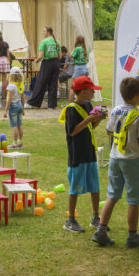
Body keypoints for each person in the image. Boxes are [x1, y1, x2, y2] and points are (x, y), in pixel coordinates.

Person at [93, 77, 139, 248]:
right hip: (131, 160)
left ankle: (101, 231)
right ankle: (132, 235)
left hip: (115, 158)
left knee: (112, 195)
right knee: (133, 199)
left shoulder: (116, 110)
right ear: (137, 95)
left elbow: (109, 132)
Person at [61, 75, 104, 233]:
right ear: (84, 92)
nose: (94, 93)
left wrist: (98, 119)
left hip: (89, 152)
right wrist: (88, 120)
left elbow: (91, 126)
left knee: (95, 186)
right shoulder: (71, 109)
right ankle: (70, 220)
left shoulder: (87, 104)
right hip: (77, 155)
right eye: (92, 90)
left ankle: (96, 217)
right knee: (75, 188)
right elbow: (72, 131)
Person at [28, 26, 61, 109]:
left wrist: (36, 60)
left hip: (47, 64)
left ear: (48, 32)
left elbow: (41, 56)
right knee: (53, 84)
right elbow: (60, 56)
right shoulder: (57, 42)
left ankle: (34, 103)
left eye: (44, 31)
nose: (43, 33)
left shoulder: (44, 42)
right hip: (55, 64)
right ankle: (52, 105)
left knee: (41, 83)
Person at [3, 66, 26, 148]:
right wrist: (23, 108)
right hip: (19, 105)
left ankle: (15, 143)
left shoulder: (11, 86)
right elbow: (23, 98)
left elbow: (9, 99)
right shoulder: (21, 85)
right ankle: (20, 142)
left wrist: (5, 110)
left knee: (14, 126)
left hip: (13, 106)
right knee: (19, 125)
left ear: (11, 76)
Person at [0, 30, 13, 97]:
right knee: (4, 78)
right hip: (5, 61)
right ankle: (4, 95)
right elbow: (8, 55)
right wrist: (9, 63)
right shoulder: (6, 44)